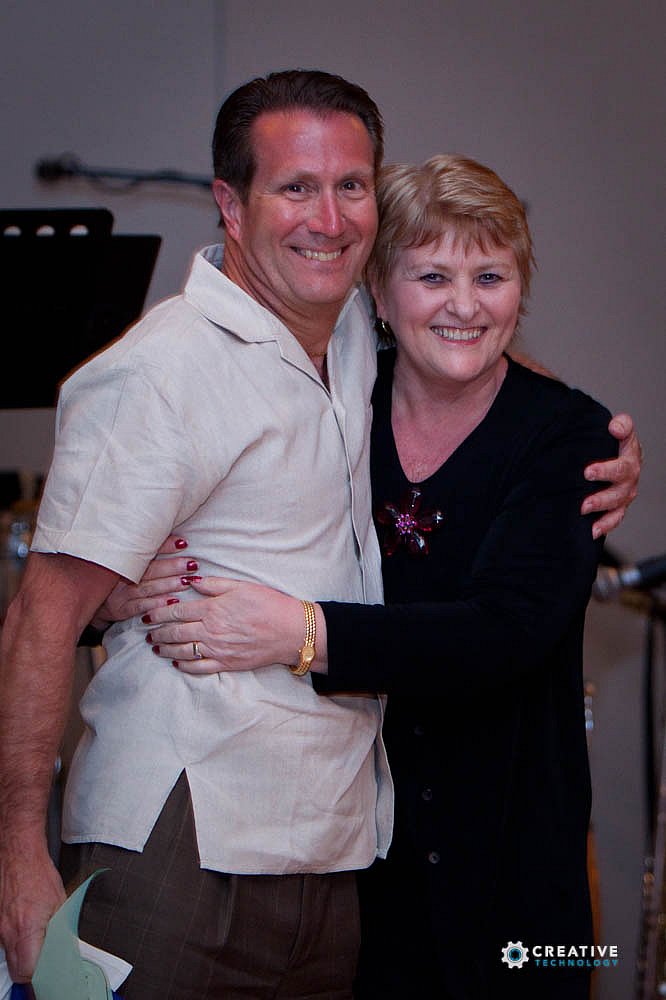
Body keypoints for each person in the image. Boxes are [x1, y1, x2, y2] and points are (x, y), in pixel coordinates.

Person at [133, 154, 631, 999]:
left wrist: (301, 634)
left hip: (514, 871)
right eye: (432, 276)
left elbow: (504, 632)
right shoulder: (335, 409)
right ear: (378, 290)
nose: (465, 305)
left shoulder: (570, 437)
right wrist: (133, 579)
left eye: (491, 276)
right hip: (360, 866)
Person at [0, 70, 394, 1000]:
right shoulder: (161, 371)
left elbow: (475, 341)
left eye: (351, 185)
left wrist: (591, 448)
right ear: (231, 203)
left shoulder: (356, 331)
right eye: (295, 187)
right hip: (177, 841)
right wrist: (17, 861)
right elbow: (40, 620)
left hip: (331, 844)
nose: (329, 219)